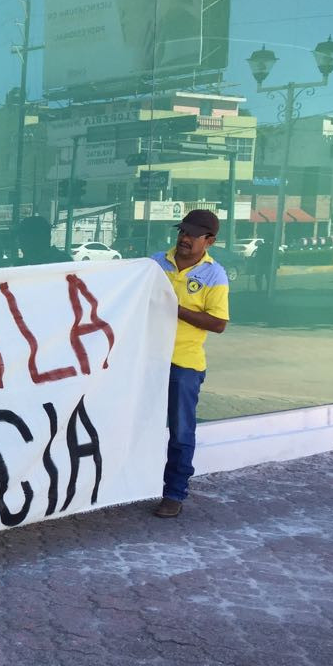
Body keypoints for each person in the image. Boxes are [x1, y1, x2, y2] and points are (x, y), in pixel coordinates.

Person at [149, 209, 229, 518]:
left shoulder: (214, 275)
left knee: (181, 432)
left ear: (209, 241)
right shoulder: (156, 263)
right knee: (137, 425)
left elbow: (219, 323)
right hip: (147, 361)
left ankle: (174, 493)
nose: (184, 238)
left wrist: (175, 308)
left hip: (184, 365)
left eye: (192, 235)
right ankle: (134, 486)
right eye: (182, 232)